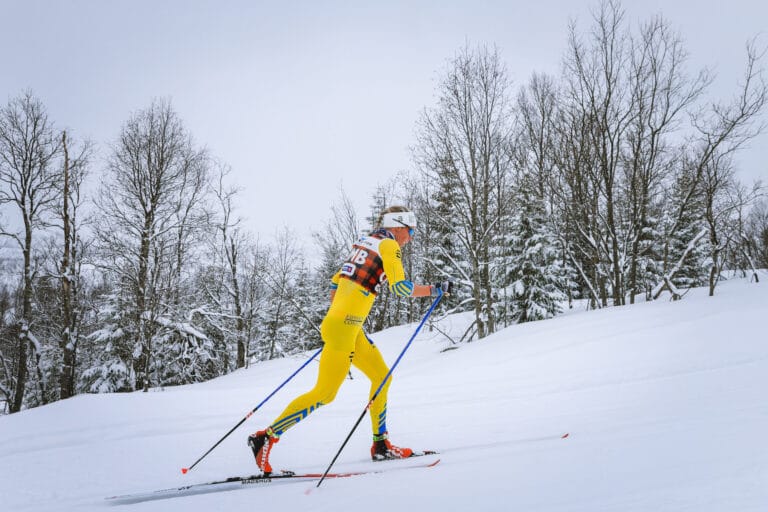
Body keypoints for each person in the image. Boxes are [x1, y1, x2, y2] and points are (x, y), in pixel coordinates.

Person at [247, 206, 451, 475]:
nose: (410, 238)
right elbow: (400, 288)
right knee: (325, 393)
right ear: (399, 226)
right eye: (410, 232)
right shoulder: (389, 245)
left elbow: (335, 282)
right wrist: (435, 289)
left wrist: (343, 315)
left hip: (348, 327)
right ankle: (265, 437)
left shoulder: (366, 243)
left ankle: (381, 444)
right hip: (345, 328)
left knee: (382, 377)